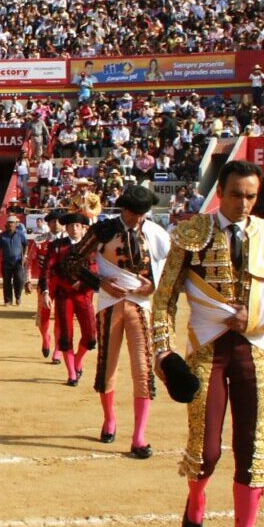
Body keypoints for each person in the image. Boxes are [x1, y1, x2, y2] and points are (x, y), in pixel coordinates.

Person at [151, 160, 264, 527]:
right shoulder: (190, 234)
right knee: (207, 451)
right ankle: (196, 500)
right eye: (237, 194)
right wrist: (164, 354)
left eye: (251, 195)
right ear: (221, 191)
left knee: (252, 453)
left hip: (254, 352)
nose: (244, 203)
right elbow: (163, 299)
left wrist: (253, 317)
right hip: (206, 351)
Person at [61, 186, 169, 457]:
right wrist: (100, 283)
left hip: (140, 306)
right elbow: (72, 262)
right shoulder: (104, 230)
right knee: (107, 365)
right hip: (109, 306)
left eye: (143, 213)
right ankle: (109, 420)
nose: (138, 218)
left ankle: (139, 436)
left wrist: (152, 286)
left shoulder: (154, 232)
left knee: (142, 369)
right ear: (124, 209)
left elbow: (171, 267)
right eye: (134, 212)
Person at [43, 213, 97, 386]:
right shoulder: (57, 246)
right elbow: (47, 269)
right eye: (71, 226)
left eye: (78, 226)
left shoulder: (91, 247)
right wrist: (45, 291)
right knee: (66, 335)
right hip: (63, 295)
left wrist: (83, 282)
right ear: (66, 228)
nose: (74, 228)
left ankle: (77, 360)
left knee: (90, 336)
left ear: (84, 228)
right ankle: (72, 373)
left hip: (83, 294)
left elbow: (95, 268)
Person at [32, 211, 66, 361]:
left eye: (59, 221)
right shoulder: (40, 240)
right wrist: (27, 280)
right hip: (45, 282)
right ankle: (46, 337)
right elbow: (29, 261)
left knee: (61, 316)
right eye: (52, 221)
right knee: (44, 316)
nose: (56, 224)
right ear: (48, 224)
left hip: (64, 283)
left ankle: (58, 349)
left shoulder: (70, 241)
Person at [0, 215, 29, 306]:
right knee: (6, 281)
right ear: (6, 224)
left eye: (12, 223)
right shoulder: (2, 235)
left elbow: (26, 244)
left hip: (18, 261)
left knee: (19, 279)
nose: (10, 224)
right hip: (6, 261)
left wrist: (25, 255)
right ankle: (8, 300)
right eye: (9, 223)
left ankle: (18, 297)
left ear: (16, 224)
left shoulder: (20, 234)